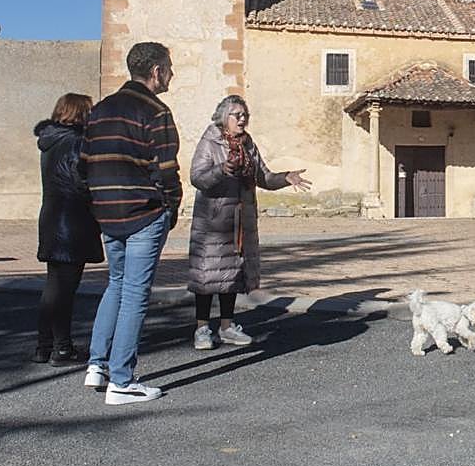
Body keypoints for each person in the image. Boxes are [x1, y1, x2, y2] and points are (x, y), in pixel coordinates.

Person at [80, 42, 182, 406]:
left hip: (108, 213)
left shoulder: (99, 111)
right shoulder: (157, 111)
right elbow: (166, 168)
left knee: (117, 285)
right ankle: (122, 380)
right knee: (136, 294)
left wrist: (99, 202)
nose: (172, 74)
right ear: (156, 71)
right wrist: (171, 205)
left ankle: (97, 365)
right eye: (169, 68)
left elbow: (83, 162)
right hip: (144, 212)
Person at [187, 95, 311, 349]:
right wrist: (222, 169)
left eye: (245, 114)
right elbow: (197, 177)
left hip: (240, 221)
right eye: (237, 114)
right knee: (207, 276)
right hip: (214, 221)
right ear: (224, 117)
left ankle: (227, 326)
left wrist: (286, 177)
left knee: (232, 273)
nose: (242, 119)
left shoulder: (248, 144)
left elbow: (263, 177)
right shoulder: (210, 141)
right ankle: (201, 328)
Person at [33, 93, 103, 365]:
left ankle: (44, 345)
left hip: (52, 217)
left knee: (53, 286)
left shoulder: (50, 142)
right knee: (66, 288)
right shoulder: (77, 143)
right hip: (73, 221)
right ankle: (62, 348)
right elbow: (82, 183)